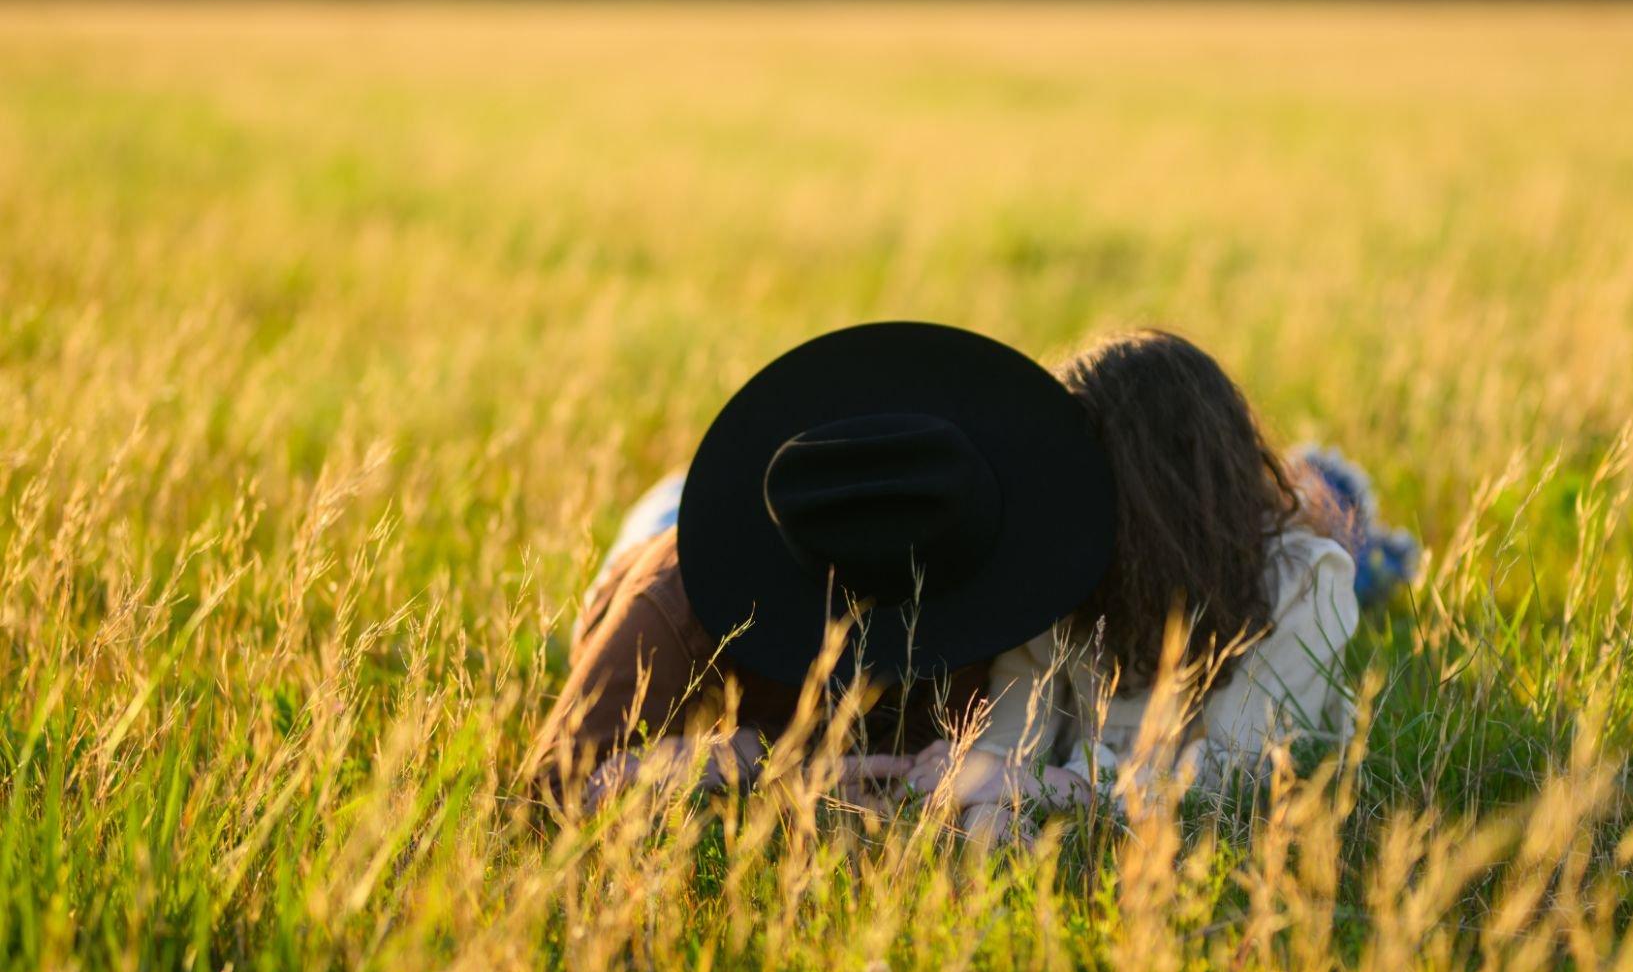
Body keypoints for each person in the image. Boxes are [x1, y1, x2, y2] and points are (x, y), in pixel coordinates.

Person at [528, 321, 1116, 817]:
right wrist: (740, 761)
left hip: (839, 488)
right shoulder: (679, 597)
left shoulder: (975, 560)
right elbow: (551, 791)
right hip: (682, 518)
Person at [906, 330, 1415, 831]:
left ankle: (1378, 547)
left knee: (1354, 533)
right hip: (1206, 530)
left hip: (1261, 548)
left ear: (1154, 503)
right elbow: (1006, 756)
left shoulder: (1304, 582)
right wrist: (946, 790)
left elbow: (1235, 776)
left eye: (1086, 479)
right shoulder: (1062, 569)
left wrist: (1062, 787)